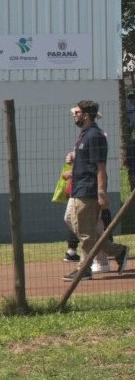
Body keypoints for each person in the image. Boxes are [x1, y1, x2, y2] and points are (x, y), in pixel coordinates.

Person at [63, 101, 129, 281]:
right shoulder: (84, 135)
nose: (74, 115)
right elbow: (86, 163)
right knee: (72, 220)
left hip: (88, 190)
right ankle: (118, 251)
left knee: (85, 233)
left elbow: (101, 167)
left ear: (85, 115)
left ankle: (84, 269)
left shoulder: (95, 136)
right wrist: (73, 170)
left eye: (76, 112)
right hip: (78, 187)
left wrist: (101, 192)